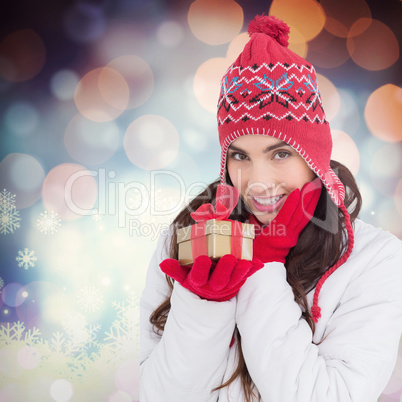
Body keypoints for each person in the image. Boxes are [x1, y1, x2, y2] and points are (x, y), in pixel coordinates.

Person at [140, 15, 402, 401]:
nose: (257, 180)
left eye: (280, 153)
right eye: (240, 155)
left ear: (313, 154)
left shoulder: (374, 259)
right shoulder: (186, 240)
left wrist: (262, 269)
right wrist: (204, 304)